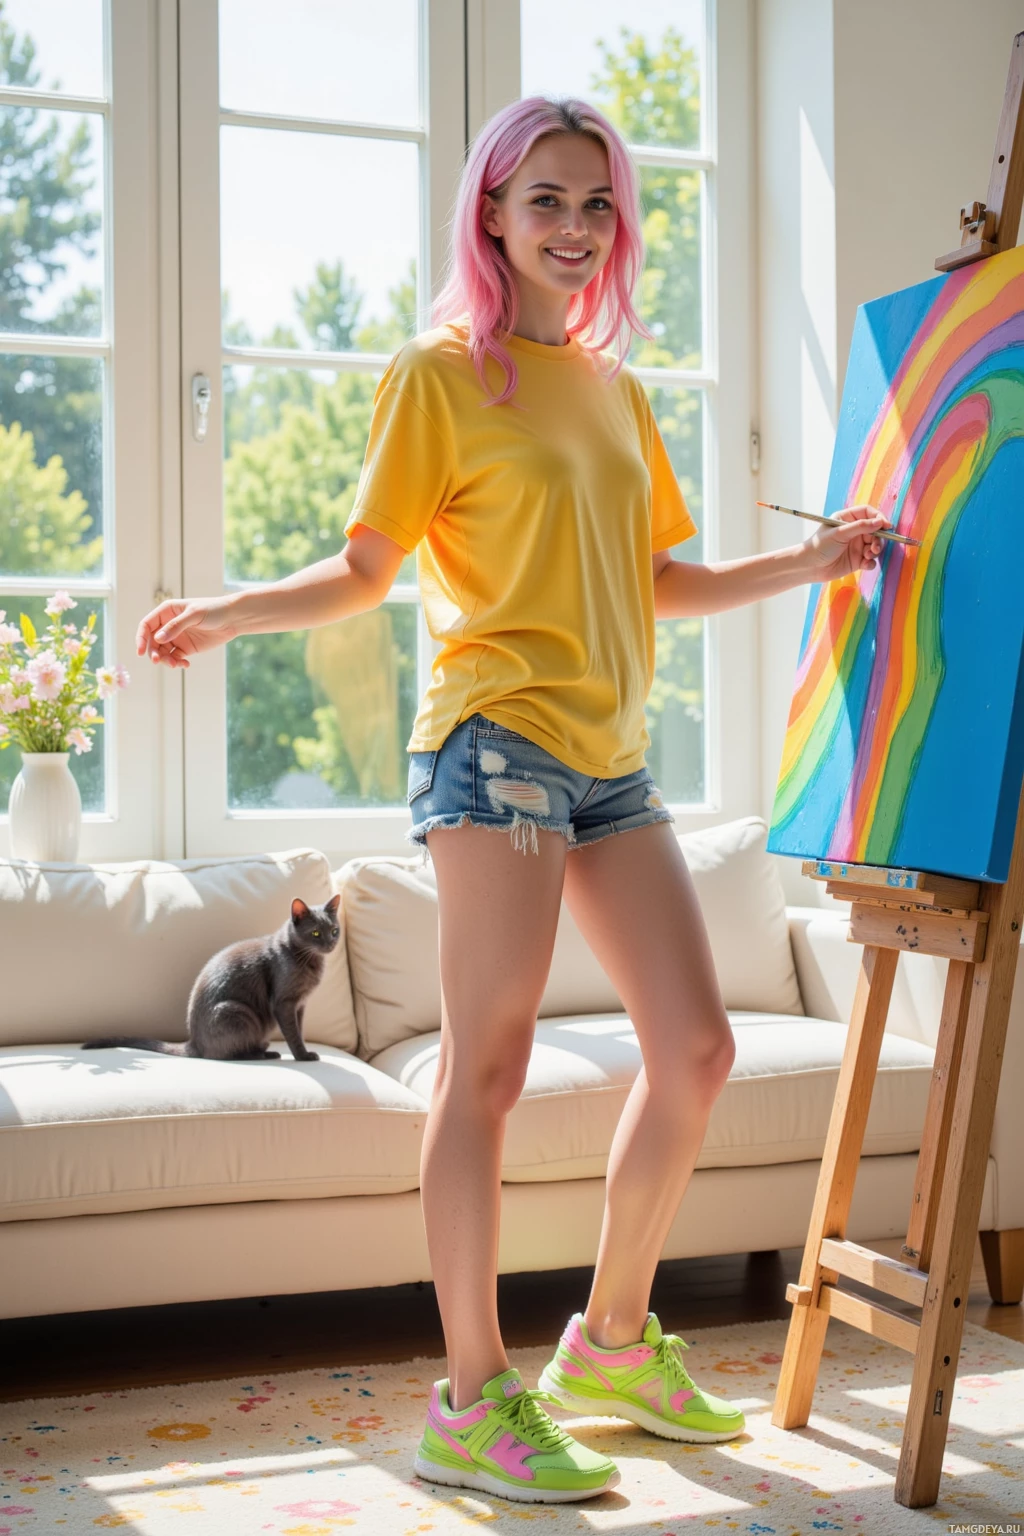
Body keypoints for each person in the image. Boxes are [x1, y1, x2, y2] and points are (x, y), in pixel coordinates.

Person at [138, 95, 890, 1506]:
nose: (574, 227)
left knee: (701, 1049)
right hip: (493, 747)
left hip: (609, 762)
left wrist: (816, 565)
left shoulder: (613, 386)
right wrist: (230, 613)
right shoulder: (443, 374)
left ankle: (607, 1345)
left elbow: (663, 577)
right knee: (484, 1067)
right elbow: (368, 570)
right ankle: (472, 1399)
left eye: (597, 203)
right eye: (545, 199)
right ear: (491, 212)